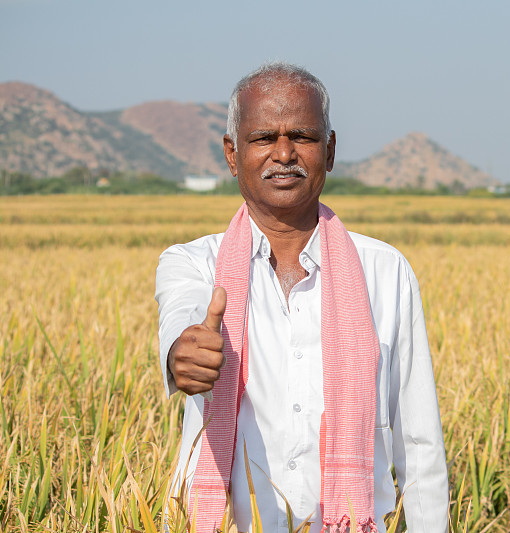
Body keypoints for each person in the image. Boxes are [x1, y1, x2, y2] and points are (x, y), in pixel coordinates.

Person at [155, 62, 449, 533]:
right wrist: (182, 355)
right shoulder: (193, 264)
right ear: (232, 154)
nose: (284, 153)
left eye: (304, 137)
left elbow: (419, 442)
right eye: (263, 138)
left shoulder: (385, 271)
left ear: (329, 151)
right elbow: (182, 319)